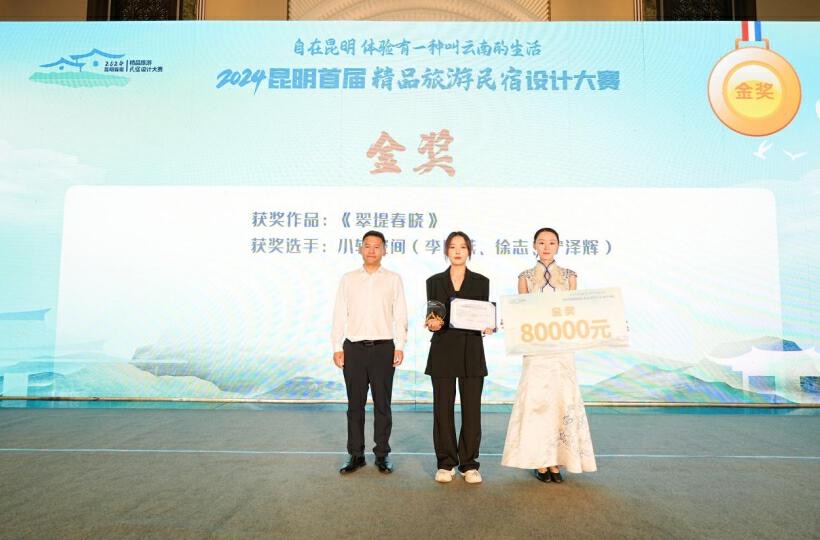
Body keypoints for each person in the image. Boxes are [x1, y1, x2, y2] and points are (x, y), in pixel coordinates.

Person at [501, 227, 597, 483]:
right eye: (541, 242)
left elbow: (574, 312)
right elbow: (522, 312)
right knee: (537, 402)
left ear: (558, 246)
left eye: (551, 242)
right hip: (536, 349)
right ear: (534, 245)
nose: (546, 247)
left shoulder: (569, 276)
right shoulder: (525, 277)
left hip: (562, 349)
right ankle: (540, 461)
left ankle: (557, 461)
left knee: (561, 400)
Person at [331, 230, 408, 475]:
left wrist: (400, 345)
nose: (372, 250)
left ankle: (382, 454)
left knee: (382, 405)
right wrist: (336, 347)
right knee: (355, 405)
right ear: (360, 249)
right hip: (353, 349)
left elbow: (400, 314)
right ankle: (355, 454)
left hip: (383, 348)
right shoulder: (348, 279)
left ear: (384, 250)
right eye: (367, 245)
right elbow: (339, 313)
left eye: (377, 246)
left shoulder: (393, 279)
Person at [425, 231, 493, 484]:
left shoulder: (481, 281)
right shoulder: (434, 281)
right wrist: (432, 323)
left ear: (469, 251)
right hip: (443, 349)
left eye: (462, 247)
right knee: (442, 409)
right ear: (446, 250)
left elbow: (483, 314)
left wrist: (488, 325)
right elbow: (433, 313)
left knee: (472, 409)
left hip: (471, 350)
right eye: (452, 247)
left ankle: (469, 464)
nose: (457, 251)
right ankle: (445, 463)